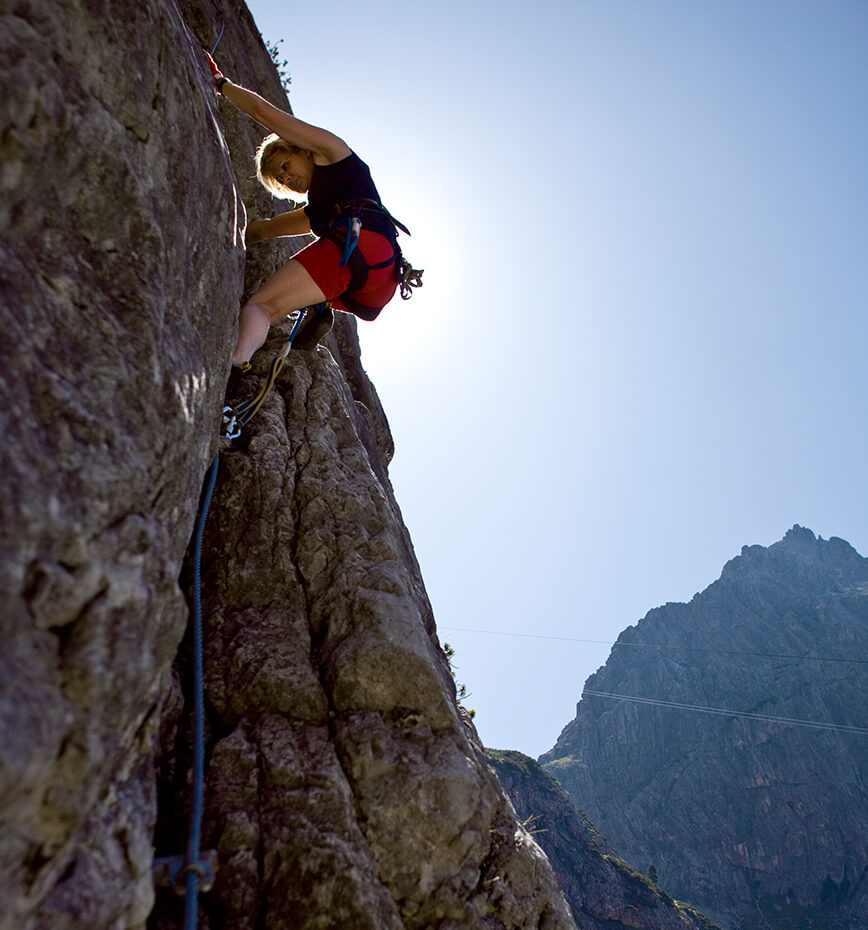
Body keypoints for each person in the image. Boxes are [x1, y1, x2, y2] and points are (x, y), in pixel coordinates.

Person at [206, 54, 418, 381]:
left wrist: (221, 84)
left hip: (360, 249)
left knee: (262, 307)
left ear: (302, 150)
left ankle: (235, 363)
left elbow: (263, 113)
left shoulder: (334, 153)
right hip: (378, 282)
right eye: (282, 180)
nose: (288, 179)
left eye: (286, 167)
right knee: (291, 293)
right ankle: (320, 306)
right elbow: (262, 231)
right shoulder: (319, 212)